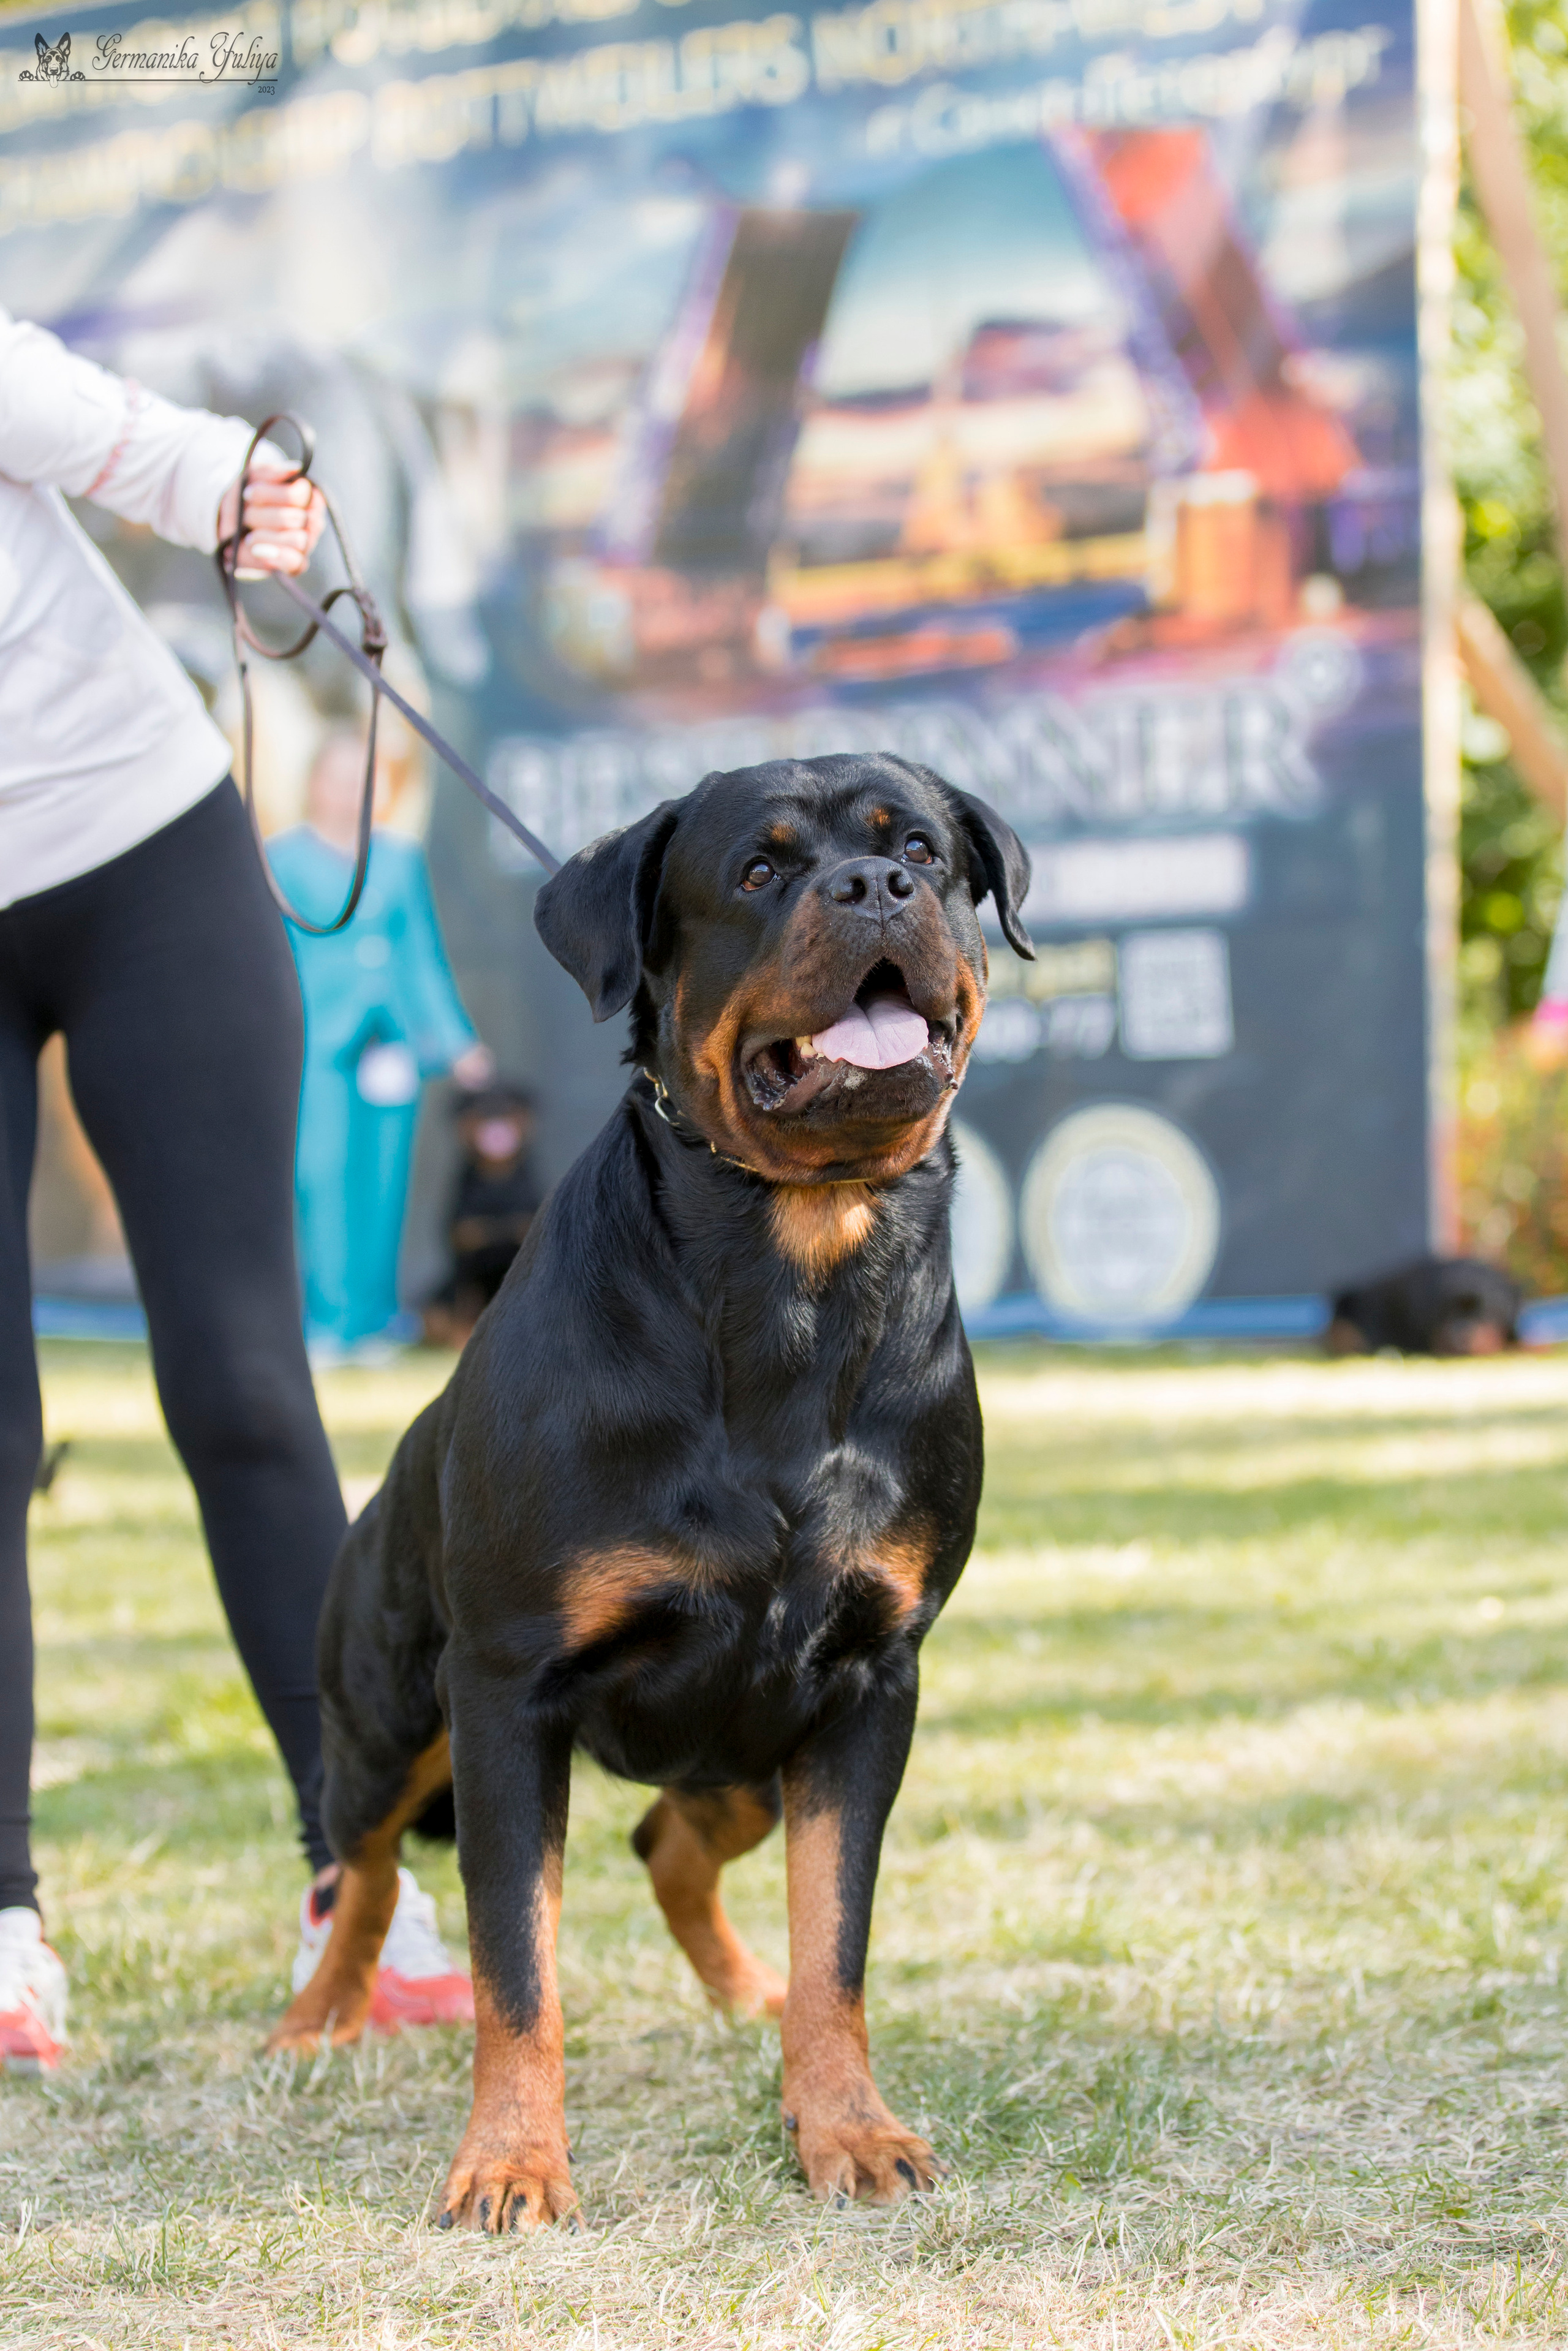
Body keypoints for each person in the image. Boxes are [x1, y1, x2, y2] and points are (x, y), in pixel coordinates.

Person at [0, 311, 469, 2072]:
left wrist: (236, 484)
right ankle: (2, 1928)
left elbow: (119, 433)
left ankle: (361, 1879)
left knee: (246, 1390)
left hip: (140, 859)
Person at [267, 730, 492, 1364]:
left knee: (384, 1177)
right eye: (338, 777)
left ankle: (370, 1318)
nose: (350, 791)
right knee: (322, 1176)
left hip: (392, 1046)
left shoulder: (397, 858)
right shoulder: (280, 858)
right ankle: (328, 1322)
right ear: (314, 783)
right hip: (316, 1043)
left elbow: (420, 955)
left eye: (363, 779)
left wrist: (455, 1041)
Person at [422, 1084, 543, 1347]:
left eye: (507, 1115)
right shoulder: (464, 1188)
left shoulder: (530, 1189)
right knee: (434, 1316)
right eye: (482, 1117)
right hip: (470, 1290)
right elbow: (461, 1262)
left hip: (521, 1295)